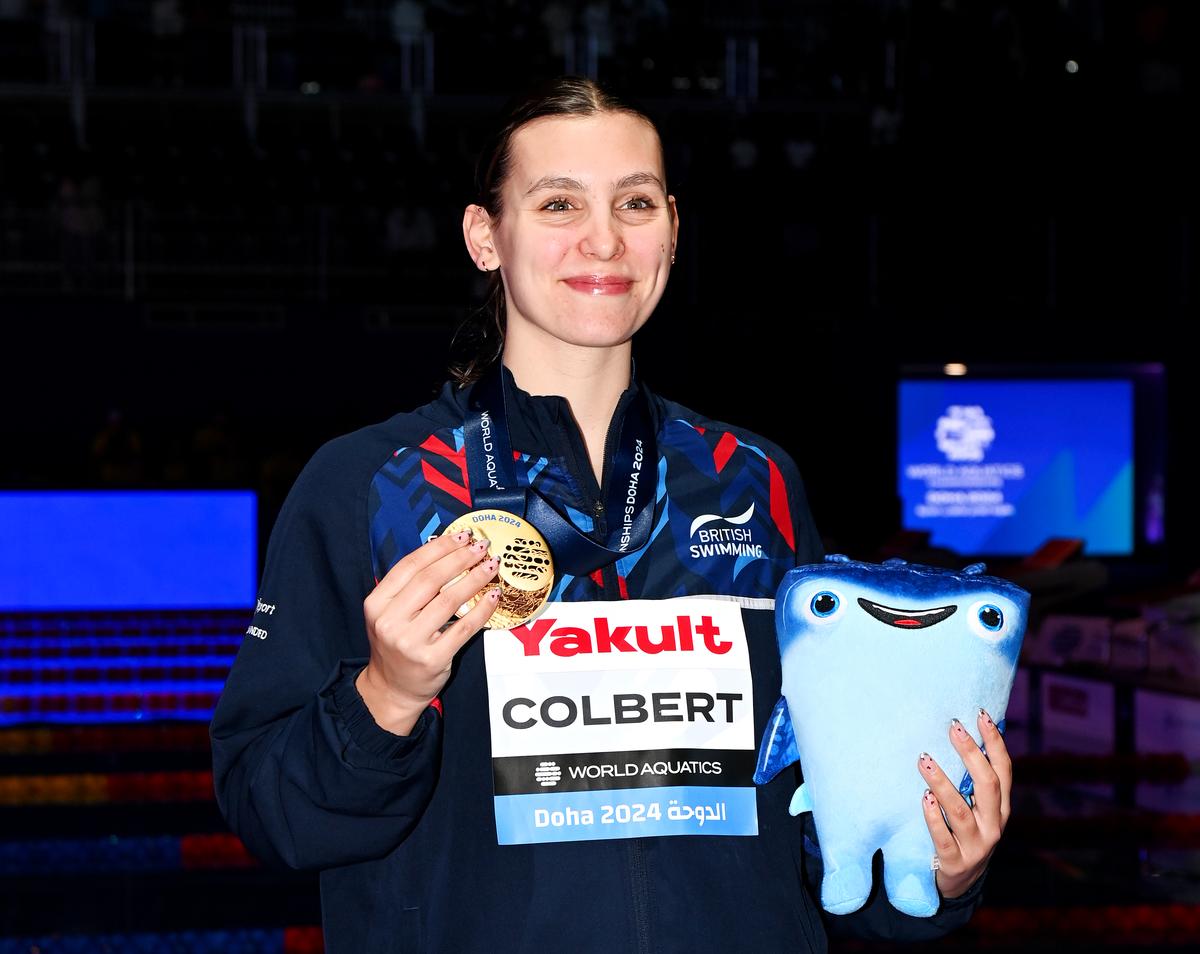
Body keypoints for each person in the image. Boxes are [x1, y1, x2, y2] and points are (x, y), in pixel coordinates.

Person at [210, 76, 1010, 953]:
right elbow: (268, 809)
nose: (604, 238)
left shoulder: (753, 481)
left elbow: (812, 821)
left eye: (636, 202)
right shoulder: (373, 484)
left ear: (672, 229)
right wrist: (386, 697)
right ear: (487, 237)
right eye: (558, 203)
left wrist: (937, 871)